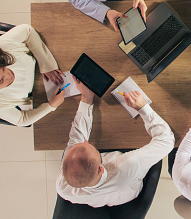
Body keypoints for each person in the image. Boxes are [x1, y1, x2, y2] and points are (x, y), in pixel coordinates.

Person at [57, 78, 174, 207]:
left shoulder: (63, 188)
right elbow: (167, 141)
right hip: (128, 187)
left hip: (103, 195)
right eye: (90, 146)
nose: (85, 140)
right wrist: (143, 108)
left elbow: (77, 137)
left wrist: (87, 97)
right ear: (101, 169)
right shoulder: (126, 165)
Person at [0, 24, 65, 126]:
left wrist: (46, 64)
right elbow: (22, 120)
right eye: (1, 81)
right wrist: (51, 106)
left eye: (3, 68)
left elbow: (27, 30)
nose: (8, 76)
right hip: (40, 93)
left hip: (50, 61)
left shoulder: (1, 47)